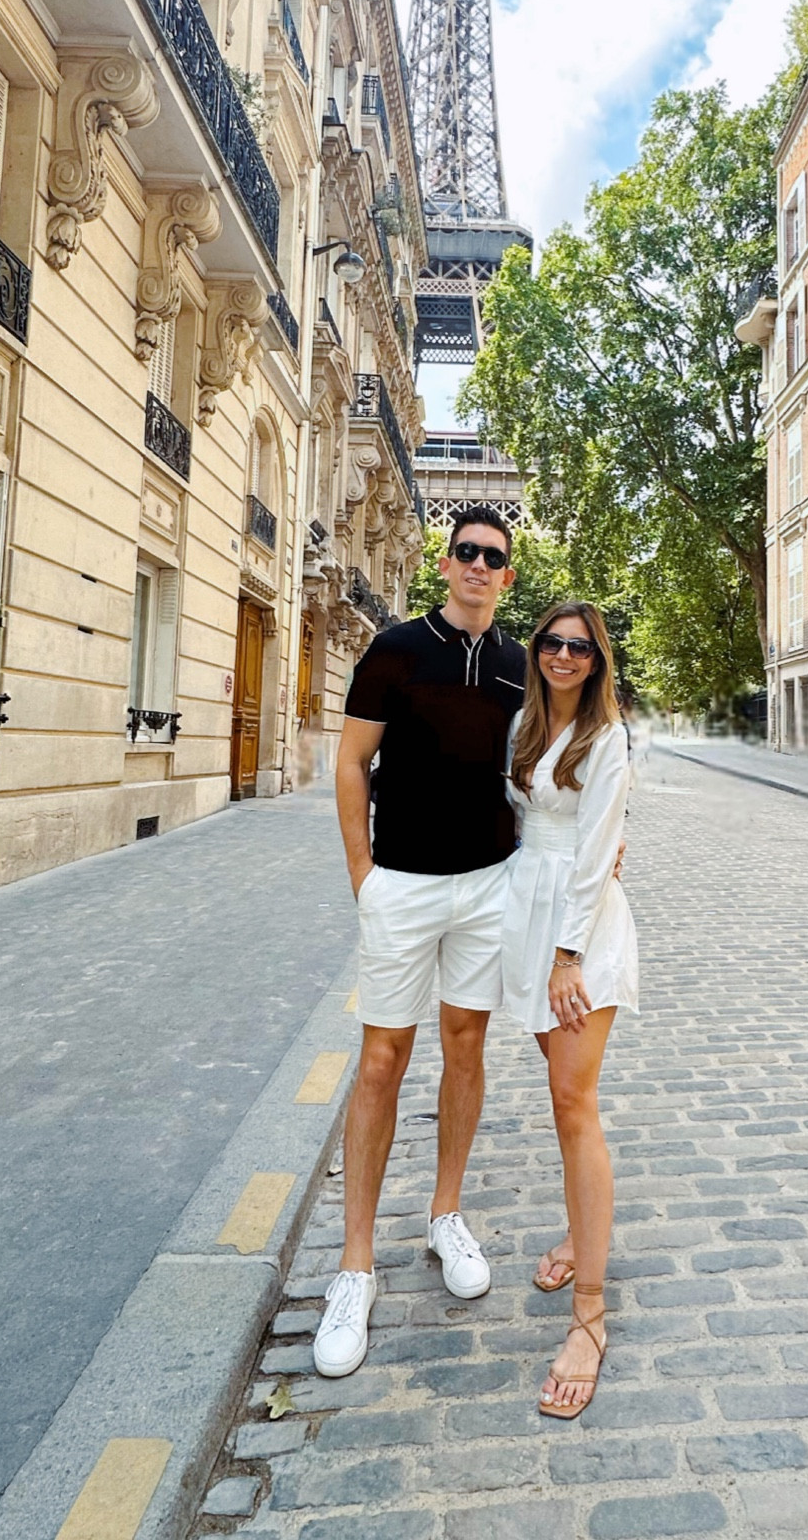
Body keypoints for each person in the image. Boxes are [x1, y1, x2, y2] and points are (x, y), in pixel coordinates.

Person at [312, 505, 527, 1379]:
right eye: (467, 553)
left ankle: (445, 1217)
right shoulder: (396, 648)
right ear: (446, 565)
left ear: (507, 576)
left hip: (486, 887)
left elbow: (549, 764)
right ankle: (354, 1268)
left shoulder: (520, 664)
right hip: (401, 883)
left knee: (466, 1047)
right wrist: (365, 874)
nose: (479, 565)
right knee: (380, 1062)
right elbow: (351, 761)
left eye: (494, 557)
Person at [503, 600, 637, 1420]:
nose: (563, 655)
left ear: (596, 661)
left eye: (579, 648)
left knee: (575, 1105)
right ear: (538, 651)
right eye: (552, 642)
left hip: (578, 935)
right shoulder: (521, 724)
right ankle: (575, 1234)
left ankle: (590, 1314)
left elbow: (593, 854)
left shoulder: (608, 737)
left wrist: (567, 957)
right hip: (523, 913)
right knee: (561, 1099)